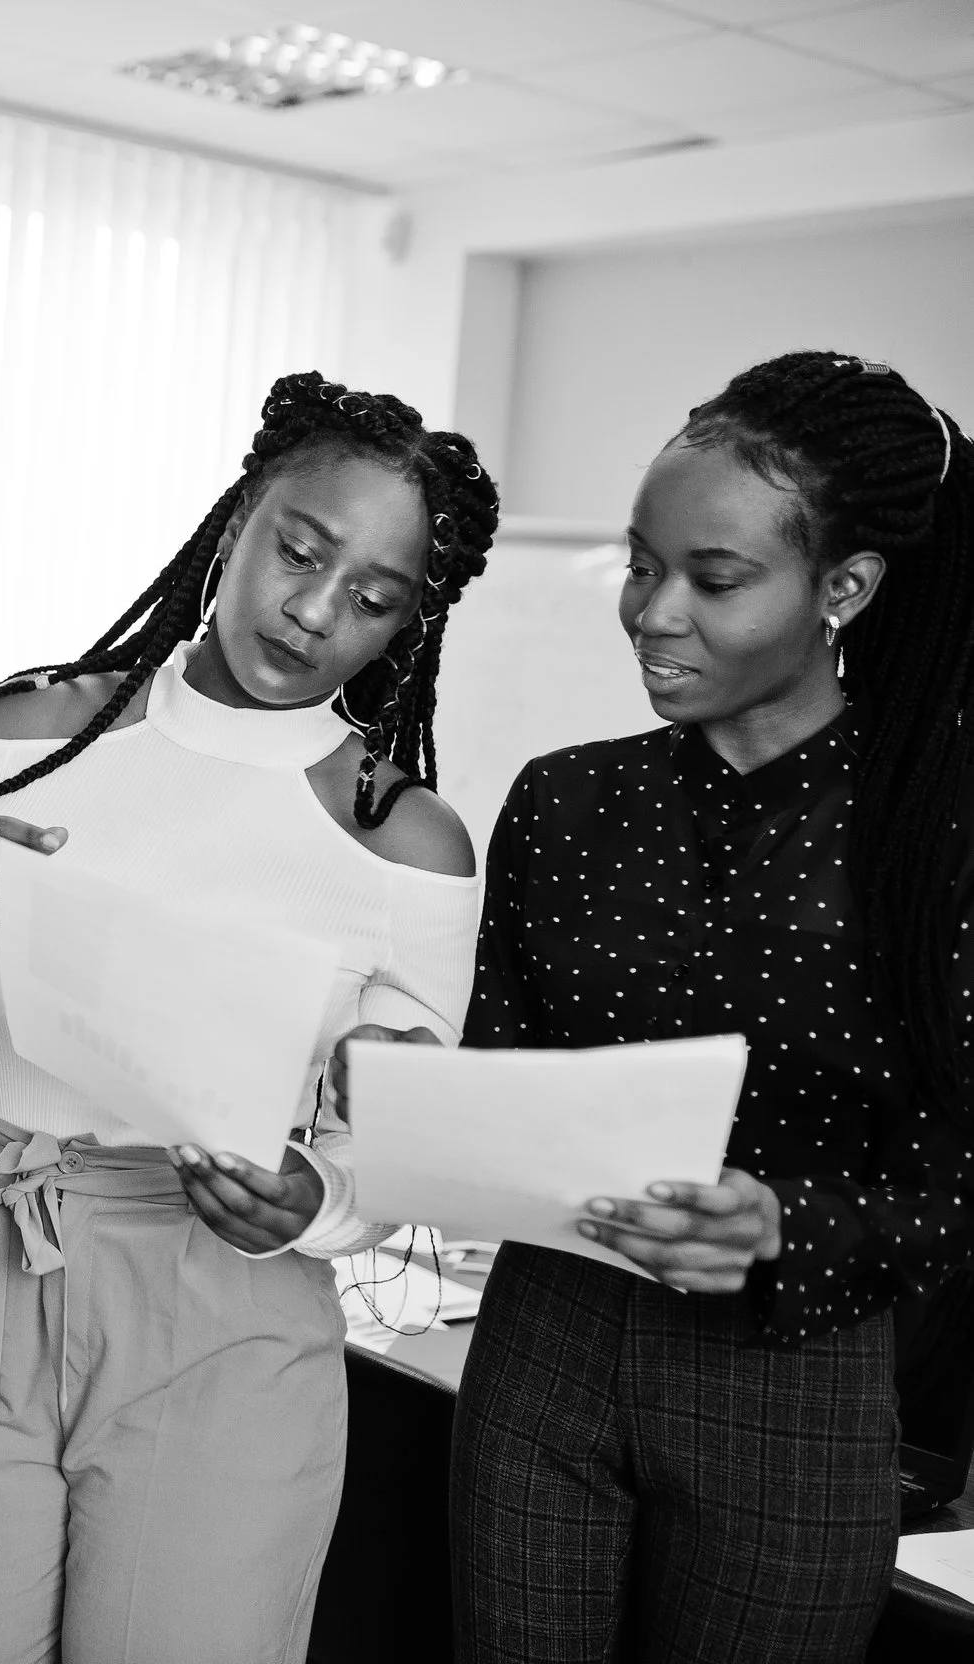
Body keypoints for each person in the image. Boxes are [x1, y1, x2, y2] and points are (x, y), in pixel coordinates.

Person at [0, 372, 500, 1663]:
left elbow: (396, 1156)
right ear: (239, 521)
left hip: (230, 1320)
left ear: (407, 628)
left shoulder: (411, 848)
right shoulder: (23, 735)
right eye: (301, 550)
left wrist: (317, 1202)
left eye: (374, 599)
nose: (317, 611)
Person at [450, 351, 973, 1664]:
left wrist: (784, 1224)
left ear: (843, 589)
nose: (651, 612)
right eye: (639, 564)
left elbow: (961, 1179)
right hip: (540, 1351)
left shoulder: (936, 841)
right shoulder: (563, 803)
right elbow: (501, 1080)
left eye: (715, 579)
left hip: (791, 1390)